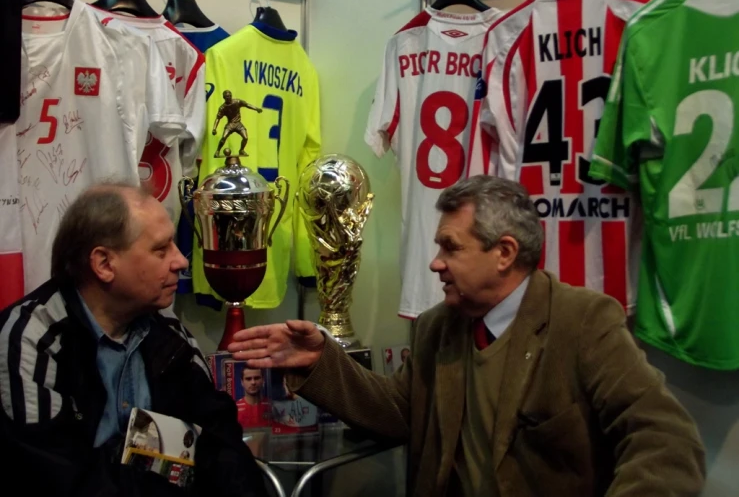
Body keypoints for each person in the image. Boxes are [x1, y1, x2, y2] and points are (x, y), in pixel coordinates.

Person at [228, 175, 706, 497]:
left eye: (449, 248)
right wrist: (319, 361)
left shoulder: (583, 322)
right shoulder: (439, 327)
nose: (435, 262)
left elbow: (666, 437)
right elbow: (398, 411)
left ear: (504, 253)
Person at [0, 182, 267, 497]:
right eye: (161, 249)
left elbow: (224, 451)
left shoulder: (171, 337)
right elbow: (55, 477)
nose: (181, 261)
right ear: (104, 264)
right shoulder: (31, 339)